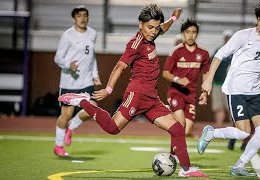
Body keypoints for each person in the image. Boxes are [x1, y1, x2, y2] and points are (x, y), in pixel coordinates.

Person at [58, 4, 207, 177]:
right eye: (149, 27)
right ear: (140, 25)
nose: (153, 31)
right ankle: (81, 101)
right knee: (113, 128)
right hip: (136, 95)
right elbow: (119, 66)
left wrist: (173, 18)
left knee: (177, 129)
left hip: (152, 99)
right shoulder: (135, 44)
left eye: (155, 27)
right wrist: (108, 89)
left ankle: (186, 170)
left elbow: (162, 29)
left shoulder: (152, 34)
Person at [197, 2, 260, 176]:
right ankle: (211, 133)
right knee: (243, 133)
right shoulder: (243, 36)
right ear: (257, 20)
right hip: (236, 88)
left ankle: (239, 165)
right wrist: (208, 80)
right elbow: (219, 55)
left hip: (255, 91)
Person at [53, 6, 102, 156]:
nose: (82, 18)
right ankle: (58, 146)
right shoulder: (67, 36)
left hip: (86, 81)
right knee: (66, 115)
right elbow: (58, 58)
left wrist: (95, 74)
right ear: (74, 18)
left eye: (85, 15)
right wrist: (69, 65)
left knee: (92, 108)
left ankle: (71, 128)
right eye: (79, 15)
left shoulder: (92, 33)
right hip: (69, 82)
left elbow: (91, 56)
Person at [162, 18, 209, 136]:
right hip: (176, 92)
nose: (190, 35)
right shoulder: (176, 51)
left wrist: (204, 92)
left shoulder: (203, 53)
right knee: (181, 124)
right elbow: (165, 73)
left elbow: (206, 73)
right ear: (183, 33)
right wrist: (178, 79)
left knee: (187, 131)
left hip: (191, 94)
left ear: (197, 34)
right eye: (188, 32)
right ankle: (174, 153)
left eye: (193, 32)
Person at [212, 29, 234, 127]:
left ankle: (233, 132)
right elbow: (211, 66)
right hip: (218, 84)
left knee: (231, 108)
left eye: (229, 37)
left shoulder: (236, 52)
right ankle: (219, 129)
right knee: (218, 107)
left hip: (231, 86)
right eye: (226, 37)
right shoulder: (218, 51)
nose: (228, 39)